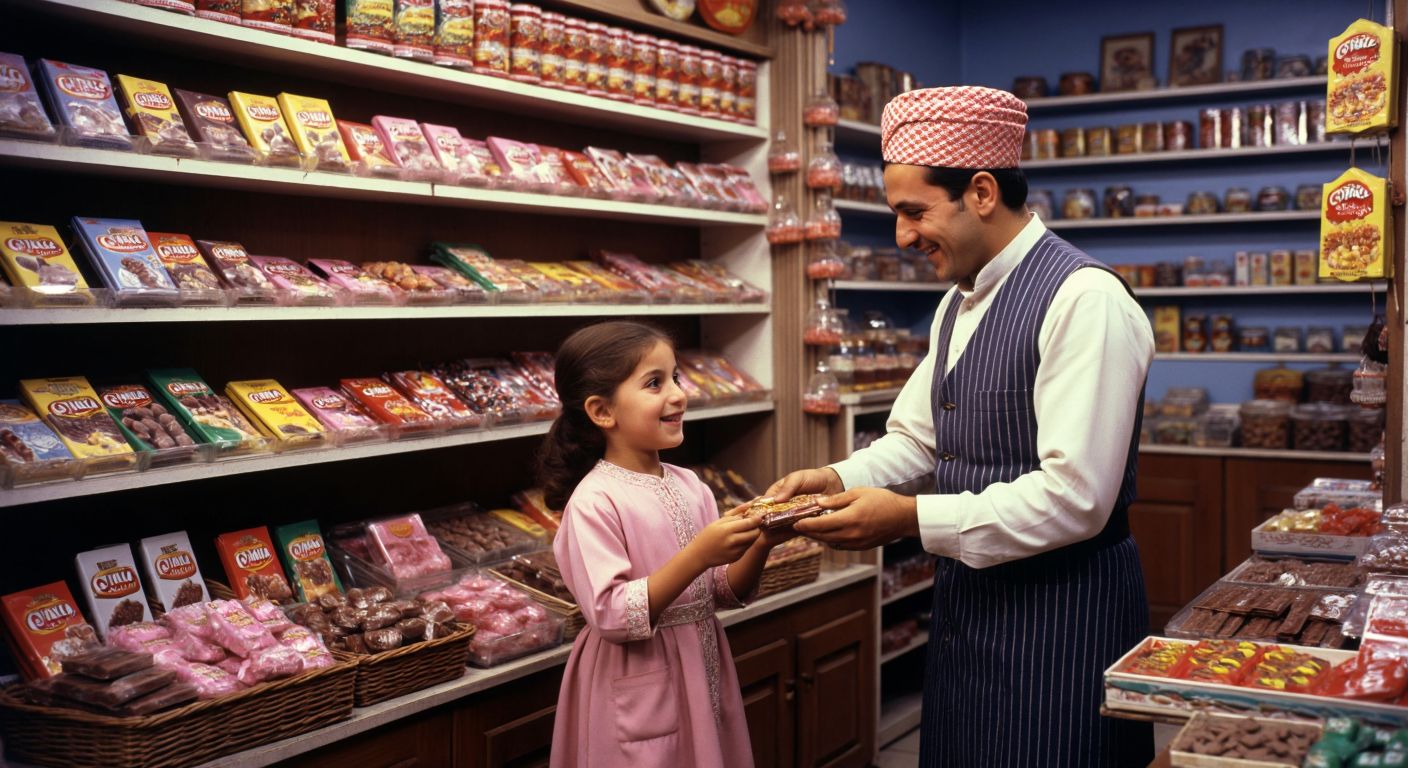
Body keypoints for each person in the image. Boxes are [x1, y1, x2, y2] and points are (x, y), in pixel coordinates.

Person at [767, 86, 1156, 767]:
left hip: (1063, 620)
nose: (903, 236)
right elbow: (917, 439)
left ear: (980, 191)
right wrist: (835, 477)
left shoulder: (1084, 300)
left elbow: (1076, 498)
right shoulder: (959, 302)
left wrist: (911, 520)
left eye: (914, 212)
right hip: (971, 617)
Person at [542, 320, 789, 767]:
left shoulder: (690, 484)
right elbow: (612, 615)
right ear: (602, 411)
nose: (677, 393)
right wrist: (698, 555)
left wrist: (761, 544)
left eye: (675, 376)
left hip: (702, 663)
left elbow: (722, 591)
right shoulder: (594, 501)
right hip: (636, 678)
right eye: (654, 383)